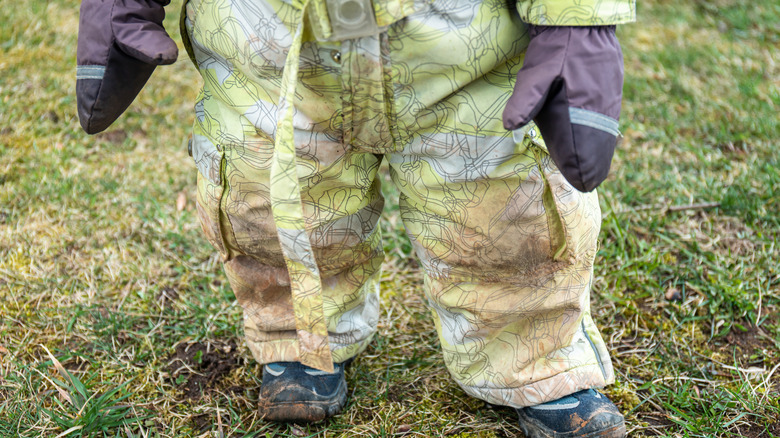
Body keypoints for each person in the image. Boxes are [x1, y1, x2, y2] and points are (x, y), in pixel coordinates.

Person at [76, 0, 635, 436]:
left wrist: (576, 22)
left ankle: (533, 353)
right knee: (269, 208)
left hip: (464, 52)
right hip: (268, 49)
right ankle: (303, 337)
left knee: (503, 215)